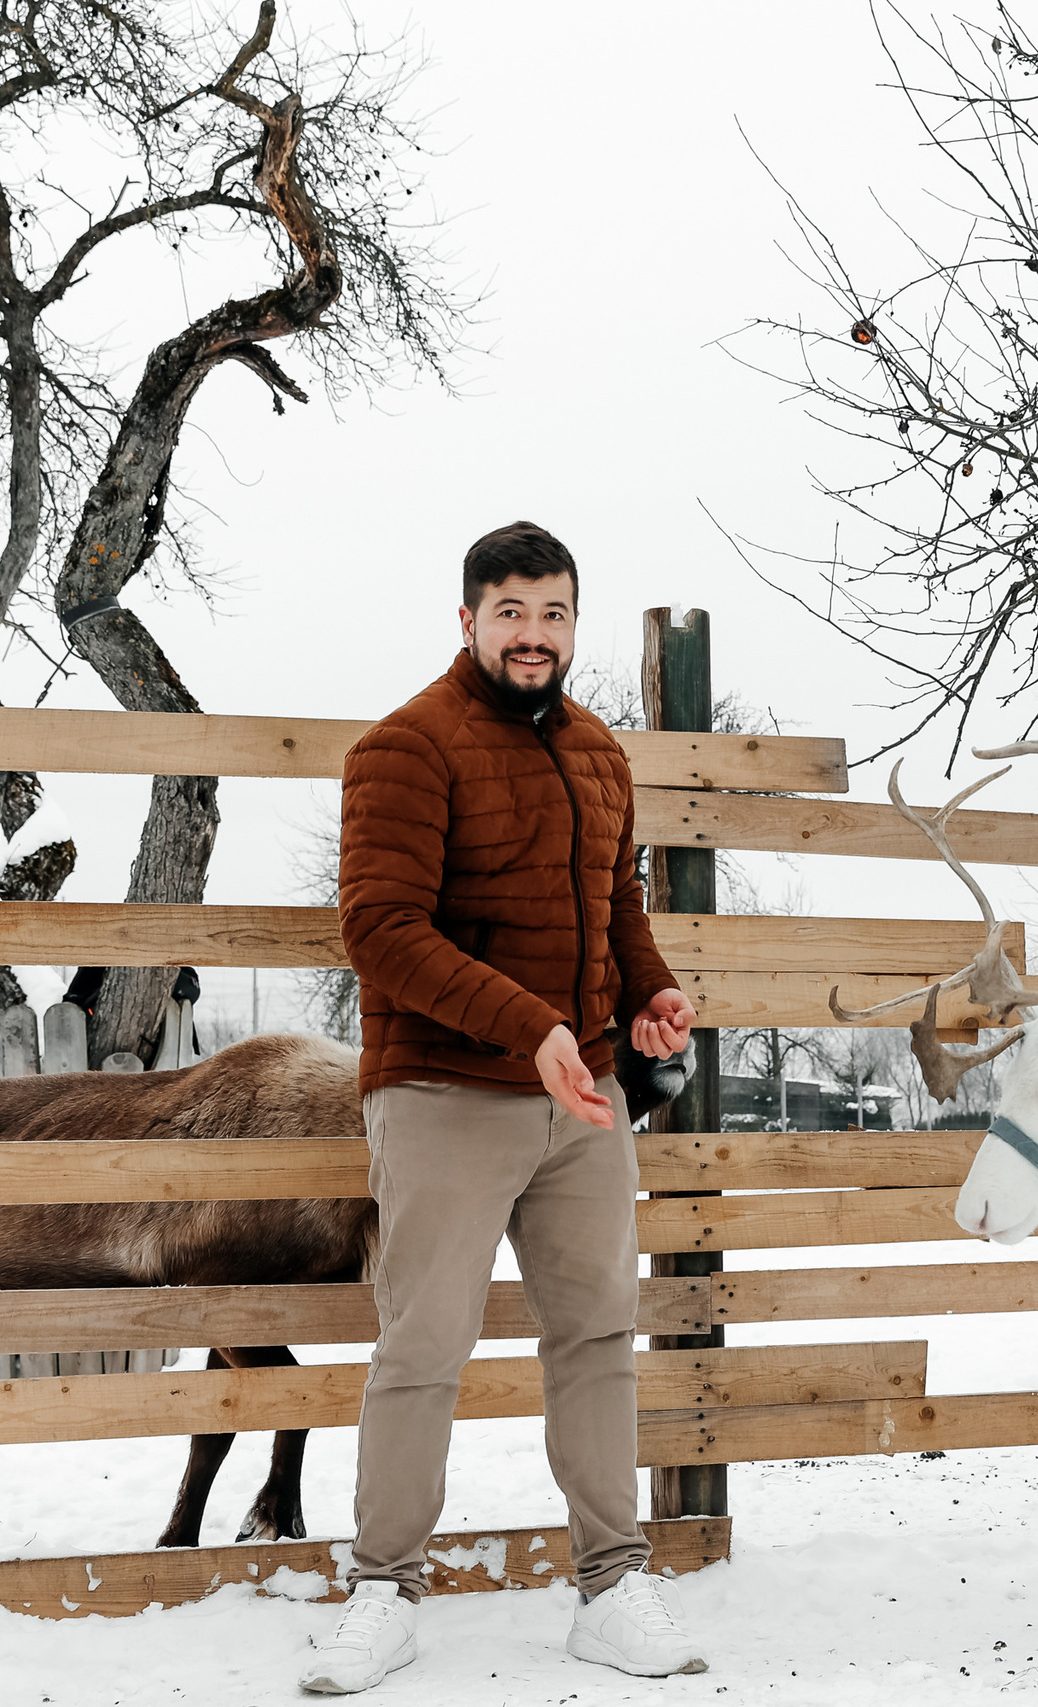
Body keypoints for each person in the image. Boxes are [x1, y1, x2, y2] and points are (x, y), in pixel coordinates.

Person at [300, 522, 705, 1692]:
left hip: (578, 1100)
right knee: (423, 1344)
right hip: (442, 1094)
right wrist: (528, 1028)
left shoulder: (599, 757)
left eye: (554, 613)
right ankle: (383, 1591)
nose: (534, 634)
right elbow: (379, 933)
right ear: (467, 618)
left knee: (594, 1337)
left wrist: (651, 995)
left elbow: (614, 911)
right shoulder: (405, 749)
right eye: (512, 611)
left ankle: (611, 1586)